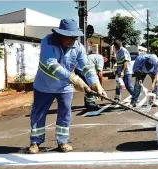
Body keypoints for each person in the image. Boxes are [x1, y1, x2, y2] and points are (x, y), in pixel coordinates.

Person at [29, 19, 107, 154]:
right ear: (60, 35)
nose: (73, 39)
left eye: (75, 36)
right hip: (44, 86)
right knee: (38, 113)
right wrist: (73, 78)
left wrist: (95, 84)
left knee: (65, 114)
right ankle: (35, 142)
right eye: (70, 36)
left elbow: (87, 66)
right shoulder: (47, 42)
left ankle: (62, 141)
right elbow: (51, 66)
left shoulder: (78, 47)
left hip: (65, 87)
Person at [74, 46, 105, 111]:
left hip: (77, 69)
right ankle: (90, 104)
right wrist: (101, 87)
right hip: (83, 70)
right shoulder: (100, 57)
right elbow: (100, 74)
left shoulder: (88, 56)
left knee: (87, 86)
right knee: (90, 86)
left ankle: (87, 102)